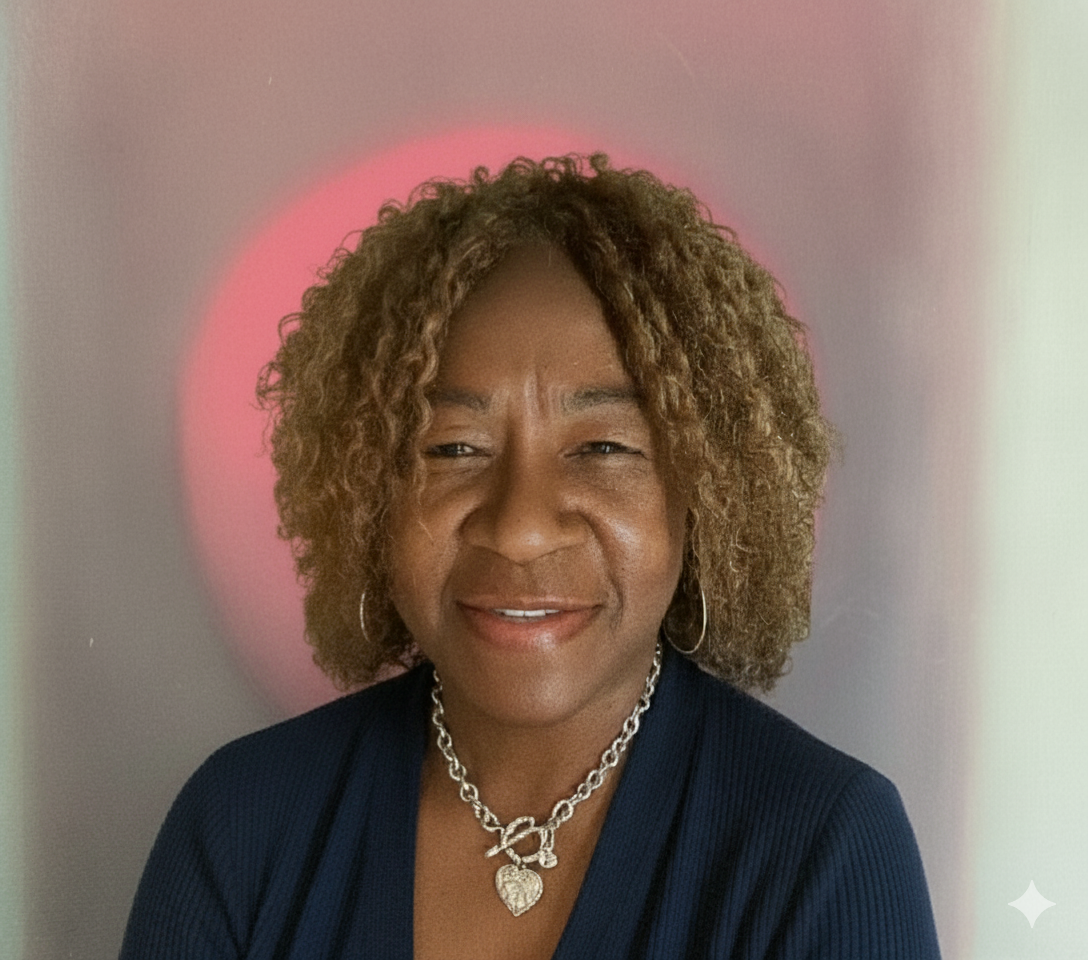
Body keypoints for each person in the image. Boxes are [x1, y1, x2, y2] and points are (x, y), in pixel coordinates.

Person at [120, 154, 941, 958]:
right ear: (368, 488)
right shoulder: (239, 829)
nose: (520, 527)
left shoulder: (823, 851)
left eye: (603, 447)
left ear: (709, 489)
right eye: (452, 449)